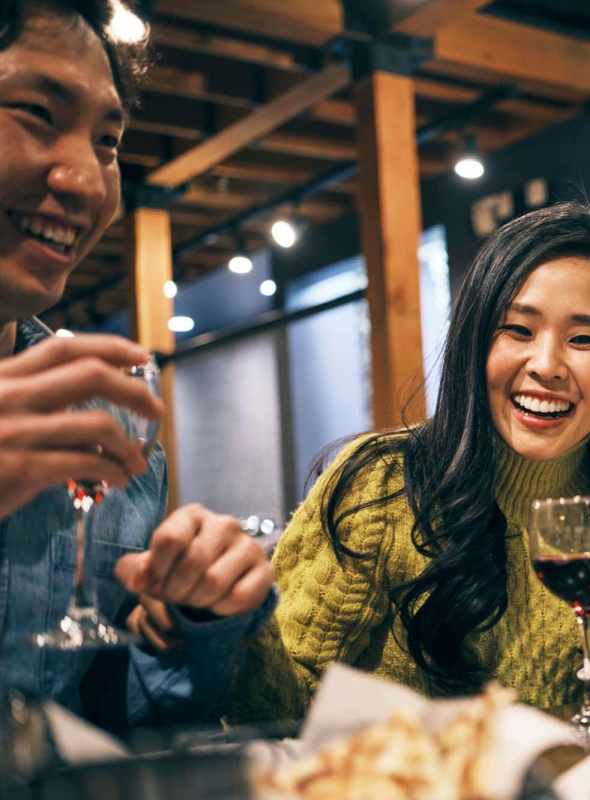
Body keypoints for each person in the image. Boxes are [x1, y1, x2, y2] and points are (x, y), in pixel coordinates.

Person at [237, 202, 590, 718]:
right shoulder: (385, 485)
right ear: (474, 345)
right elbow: (274, 707)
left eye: (585, 339)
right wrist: (229, 623)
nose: (547, 365)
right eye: (518, 330)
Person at [0, 0, 274, 731]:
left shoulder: (104, 416)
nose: (89, 181)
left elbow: (121, 709)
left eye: (109, 141)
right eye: (35, 112)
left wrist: (194, 614)